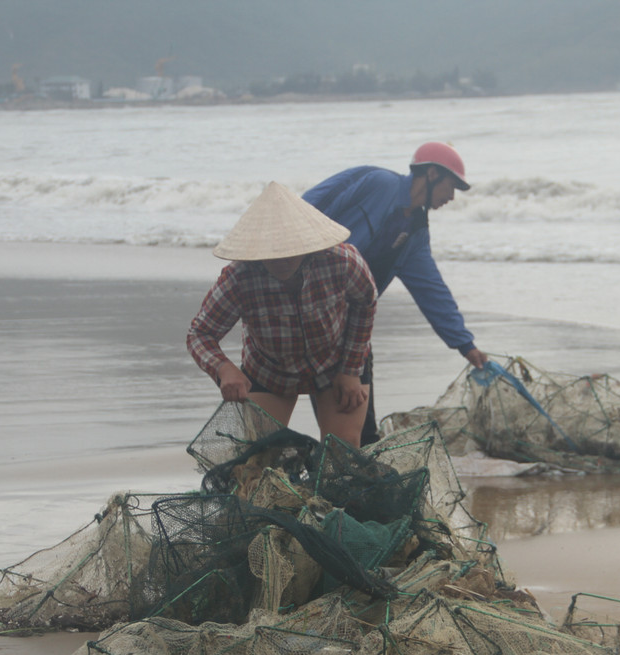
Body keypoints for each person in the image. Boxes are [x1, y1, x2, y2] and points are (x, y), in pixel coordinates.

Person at [303, 142, 487, 445]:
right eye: (451, 186)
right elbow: (308, 207)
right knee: (341, 431)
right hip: (307, 312)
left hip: (352, 327)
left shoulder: (415, 231)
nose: (452, 197)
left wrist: (465, 344)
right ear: (431, 173)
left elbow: (431, 288)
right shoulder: (378, 183)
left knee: (362, 435)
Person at [187, 181, 378, 447]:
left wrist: (351, 370)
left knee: (342, 447)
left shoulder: (343, 261)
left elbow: (366, 302)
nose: (282, 260)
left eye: (290, 251)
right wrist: (224, 368)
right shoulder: (238, 278)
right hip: (270, 370)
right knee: (259, 454)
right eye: (272, 253)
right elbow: (200, 334)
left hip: (337, 362)